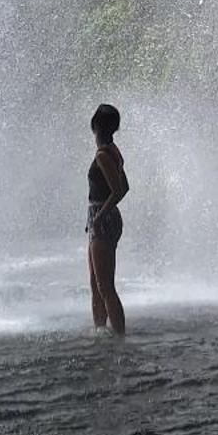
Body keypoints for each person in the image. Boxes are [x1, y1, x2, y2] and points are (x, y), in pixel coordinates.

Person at [87, 103, 128, 335]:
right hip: (101, 217)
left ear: (96, 126)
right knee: (96, 283)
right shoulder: (114, 151)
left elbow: (118, 190)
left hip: (102, 218)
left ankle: (119, 336)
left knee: (105, 286)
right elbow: (126, 186)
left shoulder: (103, 154)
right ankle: (100, 331)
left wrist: (99, 216)